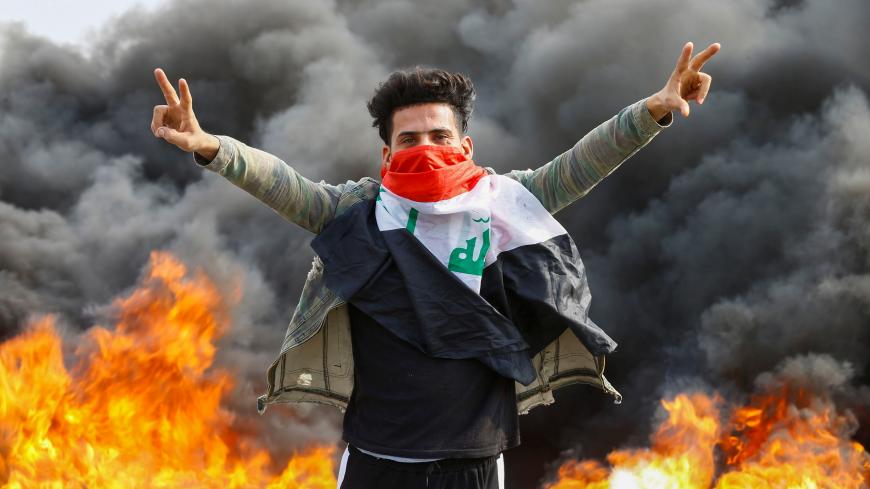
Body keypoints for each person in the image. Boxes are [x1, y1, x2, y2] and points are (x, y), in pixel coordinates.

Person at [151, 40, 720, 489]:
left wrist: (651, 113)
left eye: (440, 135)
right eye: (410, 138)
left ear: (466, 146)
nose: (426, 148)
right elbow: (284, 185)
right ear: (386, 154)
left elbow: (579, 165)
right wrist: (210, 146)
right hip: (377, 460)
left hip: (474, 460)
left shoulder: (506, 203)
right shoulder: (361, 212)